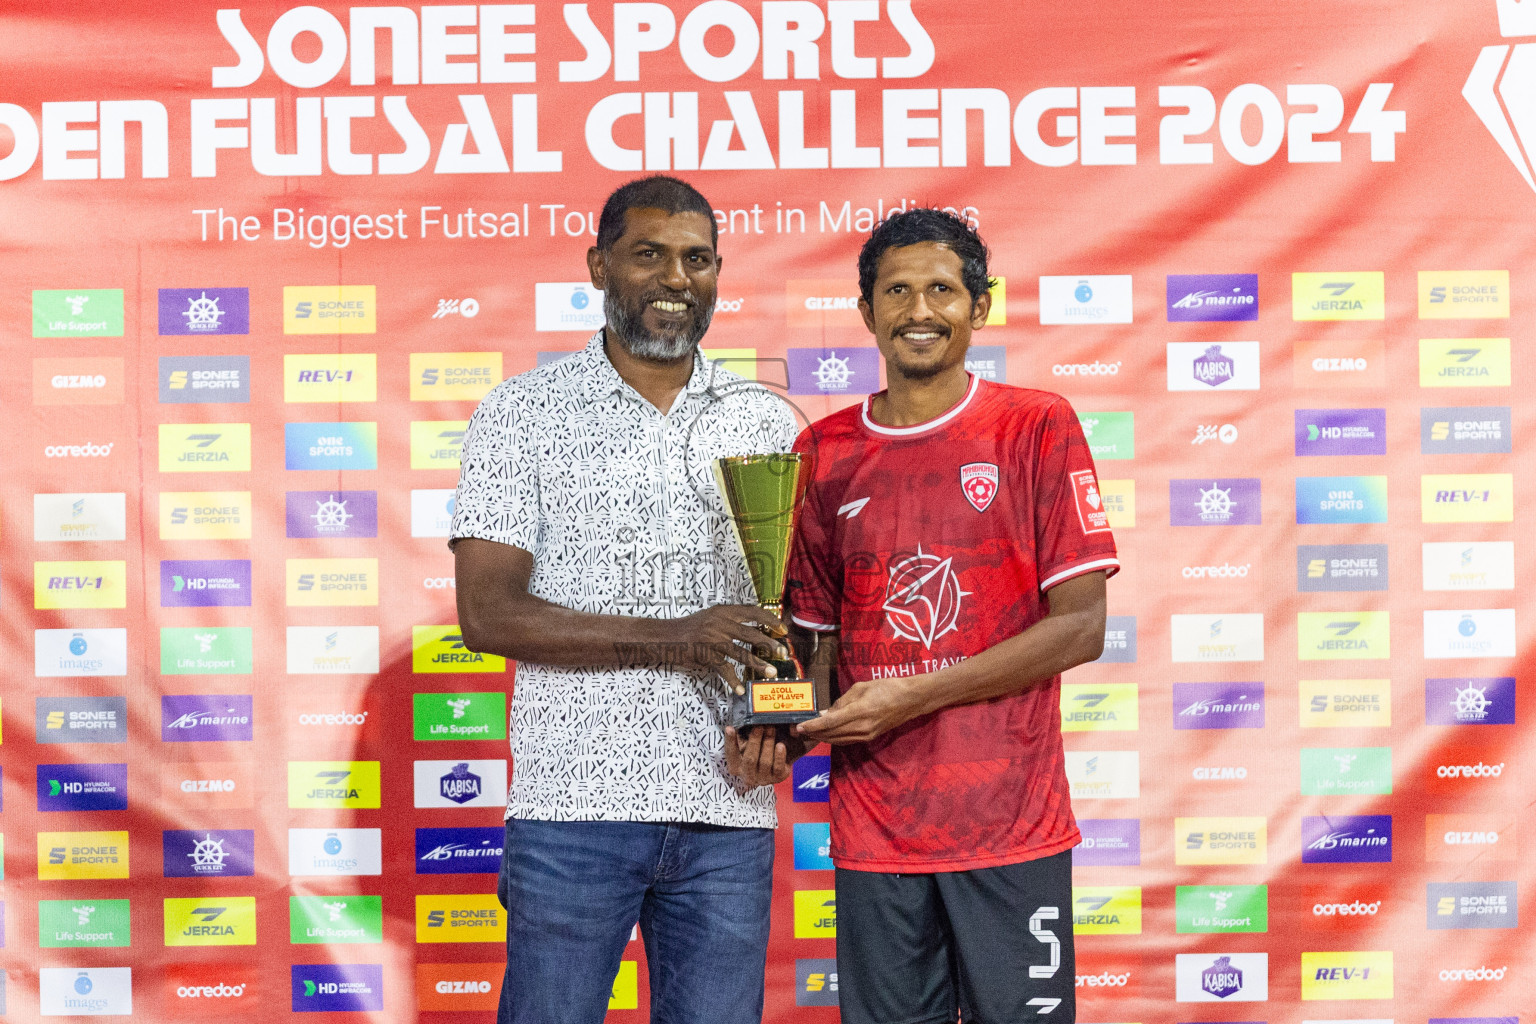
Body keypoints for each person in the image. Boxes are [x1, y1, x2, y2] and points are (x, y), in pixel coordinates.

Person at [450, 175, 803, 1024]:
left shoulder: (768, 422)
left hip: (728, 804)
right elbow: (488, 613)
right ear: (598, 265)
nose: (675, 278)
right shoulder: (522, 414)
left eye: (697, 260)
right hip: (575, 807)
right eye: (649, 255)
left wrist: (779, 715)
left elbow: (795, 612)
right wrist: (679, 639)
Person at [787, 208, 1120, 1023]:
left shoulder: (1036, 426)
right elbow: (818, 648)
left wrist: (910, 695)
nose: (920, 310)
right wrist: (780, 711)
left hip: (1011, 823)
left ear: (982, 305)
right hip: (877, 828)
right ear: (867, 312)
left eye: (943, 289)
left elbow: (1080, 627)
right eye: (896, 291)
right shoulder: (822, 452)